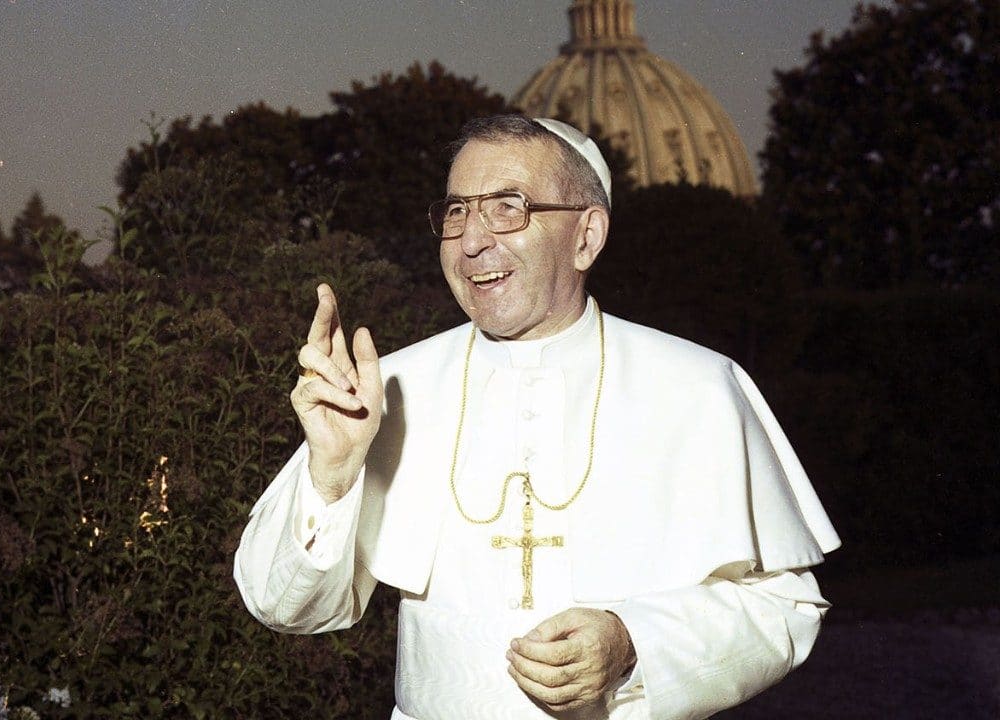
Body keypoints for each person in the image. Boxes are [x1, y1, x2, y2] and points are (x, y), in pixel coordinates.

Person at [234, 115, 840, 720]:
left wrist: (634, 645)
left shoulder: (700, 386)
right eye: (456, 212)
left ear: (586, 237)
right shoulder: (389, 386)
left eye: (507, 207)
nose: (471, 241)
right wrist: (331, 476)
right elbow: (281, 605)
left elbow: (784, 607)